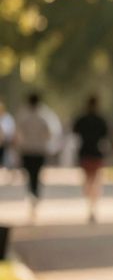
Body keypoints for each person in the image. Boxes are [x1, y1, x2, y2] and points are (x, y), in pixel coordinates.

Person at [14, 92, 62, 222]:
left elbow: (17, 133)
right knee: (37, 174)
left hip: (27, 150)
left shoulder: (23, 115)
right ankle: (35, 195)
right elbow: (50, 133)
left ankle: (32, 194)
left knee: (30, 175)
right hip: (39, 151)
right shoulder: (44, 116)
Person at [71, 95, 111, 223]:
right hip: (96, 153)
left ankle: (90, 204)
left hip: (85, 153)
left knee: (88, 180)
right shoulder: (101, 120)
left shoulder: (82, 120)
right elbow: (106, 138)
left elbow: (75, 134)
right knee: (95, 180)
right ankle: (93, 205)